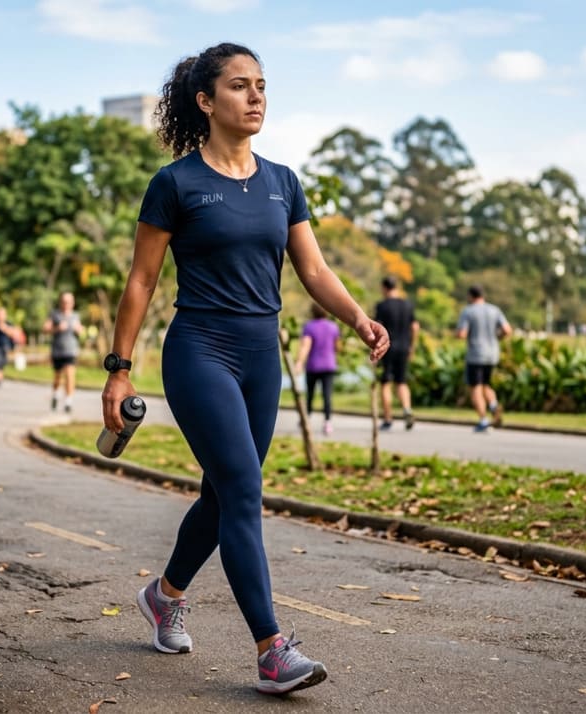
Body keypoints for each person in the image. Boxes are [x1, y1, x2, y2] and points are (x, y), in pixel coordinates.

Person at [100, 43, 389, 696]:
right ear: (206, 102)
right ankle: (270, 649)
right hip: (200, 350)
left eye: (261, 85)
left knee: (225, 491)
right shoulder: (175, 184)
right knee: (244, 492)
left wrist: (358, 318)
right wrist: (119, 370)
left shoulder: (283, 181)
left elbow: (312, 270)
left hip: (262, 357)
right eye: (239, 86)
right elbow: (142, 281)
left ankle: (165, 594)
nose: (256, 96)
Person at [456, 284, 512, 432]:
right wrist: (497, 338)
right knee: (486, 384)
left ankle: (483, 420)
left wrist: (456, 335)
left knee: (475, 388)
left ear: (470, 296)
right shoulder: (494, 310)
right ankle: (493, 405)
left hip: (476, 354)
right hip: (492, 354)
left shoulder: (468, 311)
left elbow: (462, 334)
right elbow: (507, 330)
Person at [373, 276, 419, 431]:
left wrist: (374, 348)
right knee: (401, 381)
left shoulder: (382, 306)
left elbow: (378, 327)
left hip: (388, 347)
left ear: (385, 288)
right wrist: (412, 346)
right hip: (404, 347)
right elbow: (415, 327)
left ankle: (387, 418)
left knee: (386, 382)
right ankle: (407, 409)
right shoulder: (407, 305)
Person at [295, 303, 340, 435]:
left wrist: (299, 362)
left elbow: (305, 346)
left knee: (310, 394)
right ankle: (327, 423)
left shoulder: (309, 327)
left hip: (313, 366)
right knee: (327, 395)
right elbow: (337, 347)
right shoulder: (333, 327)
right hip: (329, 365)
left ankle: (306, 419)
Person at [44, 292, 84, 412]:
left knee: (70, 375)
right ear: (61, 302)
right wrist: (57, 328)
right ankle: (56, 395)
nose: (66, 304)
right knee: (57, 378)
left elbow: (81, 331)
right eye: (64, 301)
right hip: (57, 351)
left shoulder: (76, 316)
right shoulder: (55, 315)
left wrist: (79, 330)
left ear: (72, 303)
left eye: (69, 302)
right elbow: (45, 329)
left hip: (71, 351)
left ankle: (68, 401)